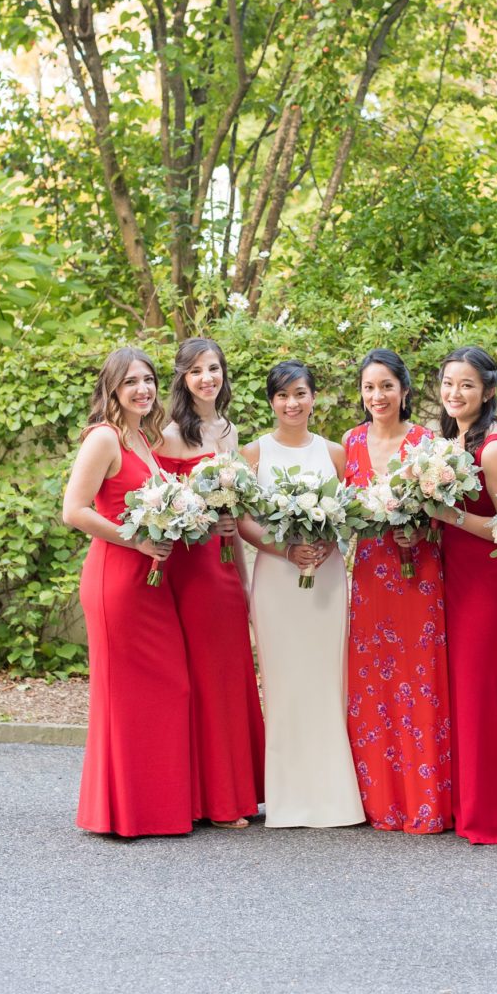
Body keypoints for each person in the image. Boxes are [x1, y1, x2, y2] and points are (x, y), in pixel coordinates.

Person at [62, 347, 192, 837]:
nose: (143, 389)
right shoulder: (104, 437)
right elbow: (74, 510)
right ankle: (120, 813)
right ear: (111, 388)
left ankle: (154, 807)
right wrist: (135, 539)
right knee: (123, 695)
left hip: (150, 581)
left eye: (149, 380)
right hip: (116, 577)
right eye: (131, 381)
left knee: (168, 688)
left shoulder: (143, 438)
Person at [239, 360, 364, 829]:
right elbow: (244, 521)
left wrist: (329, 542)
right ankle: (288, 797)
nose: (292, 403)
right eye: (282, 395)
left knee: (328, 678)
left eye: (300, 394)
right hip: (276, 577)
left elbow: (351, 510)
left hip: (326, 578)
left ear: (315, 398)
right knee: (284, 681)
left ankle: (336, 797)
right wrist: (286, 550)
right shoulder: (253, 454)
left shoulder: (335, 453)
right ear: (271, 401)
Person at [157, 338, 264, 829]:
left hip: (223, 564)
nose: (207, 378)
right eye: (197, 370)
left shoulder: (229, 429)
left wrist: (243, 582)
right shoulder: (171, 434)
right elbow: (162, 505)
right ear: (182, 377)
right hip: (190, 564)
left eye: (214, 368)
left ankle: (234, 793)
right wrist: (203, 516)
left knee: (230, 673)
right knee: (206, 675)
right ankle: (215, 803)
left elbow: (234, 514)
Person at [343, 348, 452, 833]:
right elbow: (344, 513)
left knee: (421, 680)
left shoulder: (429, 444)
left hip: (419, 577)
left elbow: (450, 518)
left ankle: (425, 801)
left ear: (404, 390)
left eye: (386, 385)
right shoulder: (349, 442)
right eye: (369, 387)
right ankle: (379, 802)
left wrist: (423, 530)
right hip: (370, 577)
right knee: (374, 684)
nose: (377, 395)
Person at [431, 347, 497, 844]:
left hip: (487, 578)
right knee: (462, 689)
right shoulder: (453, 439)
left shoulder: (493, 449)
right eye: (448, 383)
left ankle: (493, 813)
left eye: (466, 384)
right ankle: (468, 801)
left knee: (479, 687)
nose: (454, 393)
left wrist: (452, 518)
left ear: (487, 390)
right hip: (454, 574)